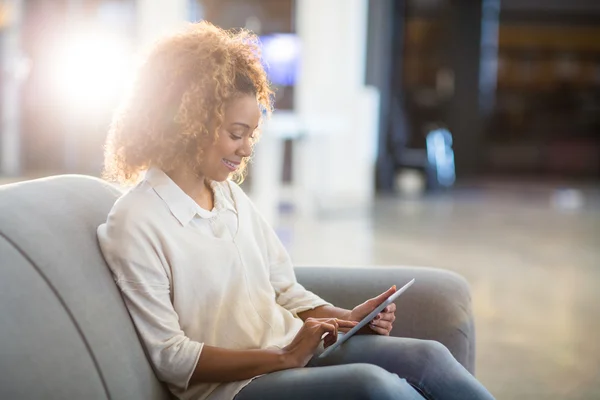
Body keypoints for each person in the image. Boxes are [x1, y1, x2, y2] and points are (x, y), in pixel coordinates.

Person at [97, 21, 495, 400]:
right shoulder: (135, 222)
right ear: (188, 122)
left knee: (427, 357)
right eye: (236, 134)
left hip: (291, 355)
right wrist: (284, 358)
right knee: (373, 387)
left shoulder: (229, 197)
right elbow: (172, 356)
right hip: (234, 388)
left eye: (250, 135)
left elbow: (285, 290)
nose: (247, 149)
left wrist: (347, 318)